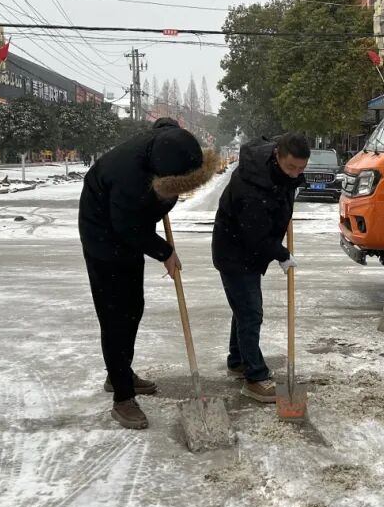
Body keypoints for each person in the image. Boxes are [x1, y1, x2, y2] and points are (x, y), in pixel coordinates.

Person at [79, 117, 218, 429]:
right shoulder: (129, 178)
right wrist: (164, 251)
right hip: (102, 232)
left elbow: (165, 125)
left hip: (128, 227)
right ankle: (122, 397)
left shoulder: (169, 145)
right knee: (116, 313)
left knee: (134, 306)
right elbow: (127, 226)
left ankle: (120, 373)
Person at [212, 133, 309, 402]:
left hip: (249, 251)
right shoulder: (251, 186)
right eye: (291, 168)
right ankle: (254, 376)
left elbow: (280, 195)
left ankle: (237, 360)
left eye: (301, 169)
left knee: (243, 309)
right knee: (251, 312)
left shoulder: (278, 172)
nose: (295, 174)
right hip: (235, 252)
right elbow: (254, 236)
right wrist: (281, 254)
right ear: (276, 155)